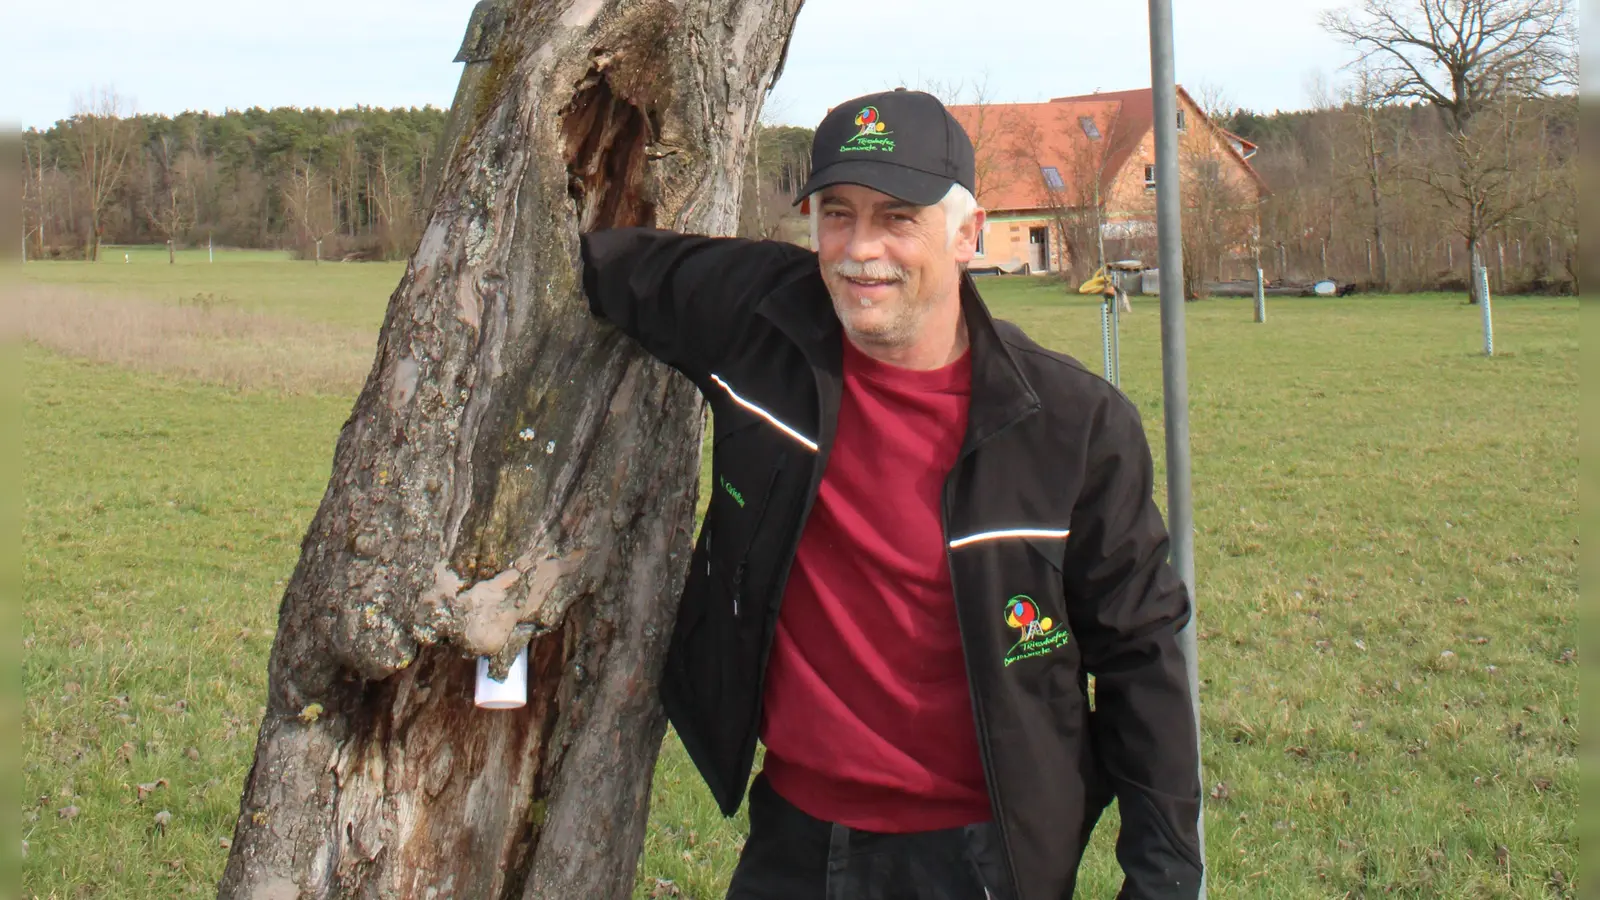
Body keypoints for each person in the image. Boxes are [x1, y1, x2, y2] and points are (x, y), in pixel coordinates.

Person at [581, 89, 1201, 900]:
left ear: (967, 235)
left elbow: (1141, 653)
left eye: (898, 217)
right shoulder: (762, 320)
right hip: (792, 839)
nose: (859, 249)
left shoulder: (1072, 428)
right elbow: (592, 265)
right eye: (837, 213)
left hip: (979, 858)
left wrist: (1161, 880)